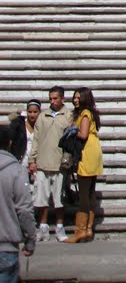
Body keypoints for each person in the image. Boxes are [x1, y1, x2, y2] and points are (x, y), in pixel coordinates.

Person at [28, 87, 71, 243]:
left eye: (55, 98)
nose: (52, 101)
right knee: (41, 199)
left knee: (59, 199)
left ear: (62, 99)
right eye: (50, 98)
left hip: (60, 164)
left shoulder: (68, 116)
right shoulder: (42, 116)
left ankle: (60, 227)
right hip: (42, 163)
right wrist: (32, 160)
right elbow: (36, 139)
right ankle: (43, 227)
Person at [64, 87, 102, 244]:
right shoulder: (90, 112)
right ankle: (88, 230)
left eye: (78, 97)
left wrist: (72, 130)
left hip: (86, 152)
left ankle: (81, 230)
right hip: (93, 151)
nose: (75, 100)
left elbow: (83, 134)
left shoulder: (85, 114)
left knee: (84, 192)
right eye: (74, 97)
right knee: (90, 191)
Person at [0, 124, 36, 283]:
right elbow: (25, 211)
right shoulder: (16, 171)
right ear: (9, 143)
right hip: (6, 248)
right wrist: (30, 240)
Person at [8, 102, 41, 183]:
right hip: (21, 159)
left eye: (35, 112)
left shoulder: (41, 126)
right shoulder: (18, 124)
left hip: (35, 160)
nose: (32, 115)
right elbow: (10, 141)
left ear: (39, 112)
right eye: (30, 112)